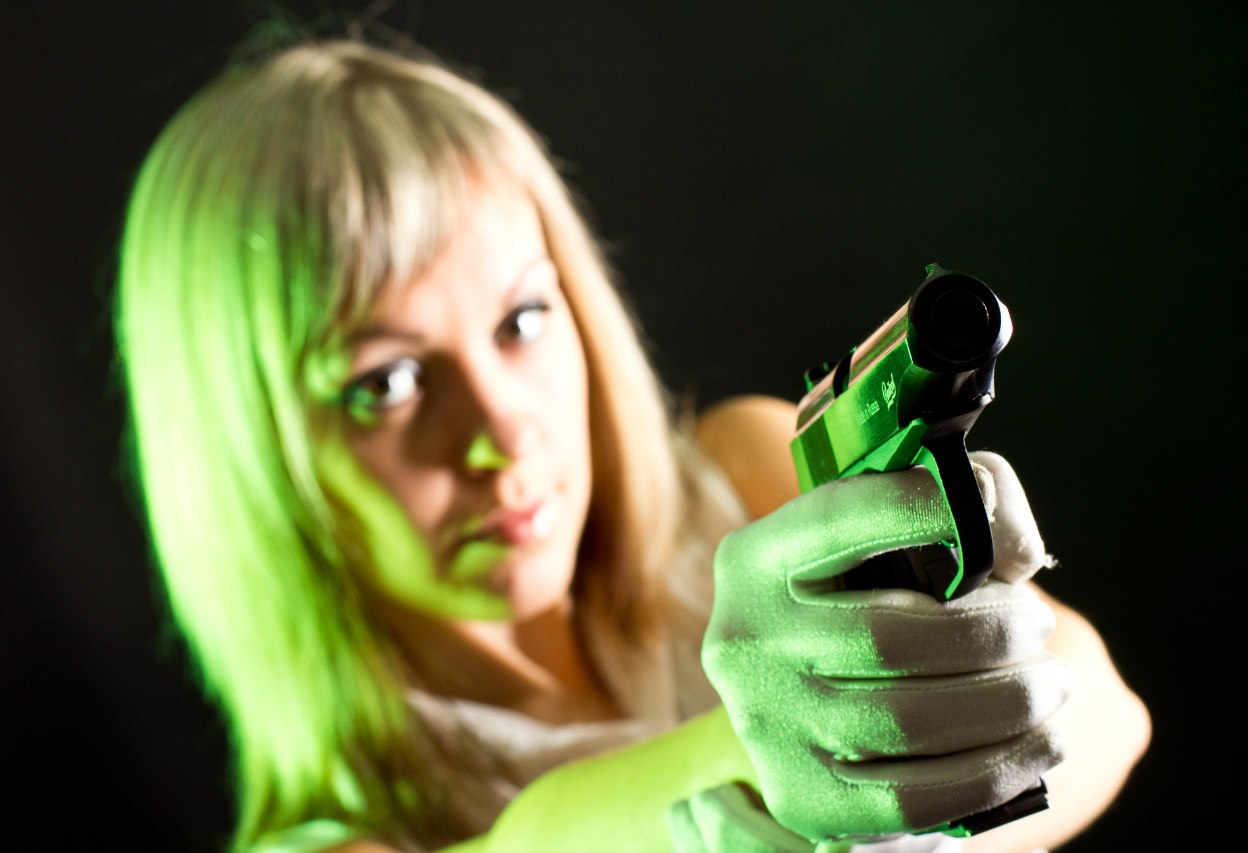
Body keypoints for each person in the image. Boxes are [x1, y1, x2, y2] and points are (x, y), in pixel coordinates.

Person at [113, 34, 1149, 853]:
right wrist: (781, 757)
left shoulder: (742, 472)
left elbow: (1106, 709)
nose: (500, 431)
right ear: (249, 461)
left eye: (522, 320)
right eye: (385, 382)